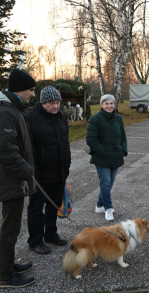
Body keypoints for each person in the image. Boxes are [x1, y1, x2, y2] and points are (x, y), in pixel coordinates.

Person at [0, 69, 37, 288]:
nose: (33, 94)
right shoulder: (6, 112)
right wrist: (27, 171)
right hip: (10, 180)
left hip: (14, 179)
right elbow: (6, 151)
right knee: (9, 229)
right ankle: (4, 276)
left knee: (11, 228)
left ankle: (7, 265)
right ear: (18, 89)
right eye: (31, 90)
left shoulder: (13, 109)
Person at [25, 86, 71, 255]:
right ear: (43, 102)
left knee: (54, 206)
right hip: (39, 174)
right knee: (36, 209)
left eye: (58, 102)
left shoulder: (60, 117)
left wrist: (66, 166)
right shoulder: (30, 117)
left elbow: (65, 143)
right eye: (52, 103)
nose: (56, 106)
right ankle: (35, 241)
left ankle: (51, 234)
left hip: (59, 171)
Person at [86, 94, 127, 222]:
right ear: (101, 105)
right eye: (106, 103)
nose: (109, 106)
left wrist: (123, 150)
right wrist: (103, 152)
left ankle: (99, 205)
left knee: (109, 184)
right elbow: (91, 139)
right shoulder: (95, 119)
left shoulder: (118, 118)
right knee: (105, 183)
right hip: (102, 158)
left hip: (116, 156)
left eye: (111, 103)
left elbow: (123, 137)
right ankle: (108, 209)